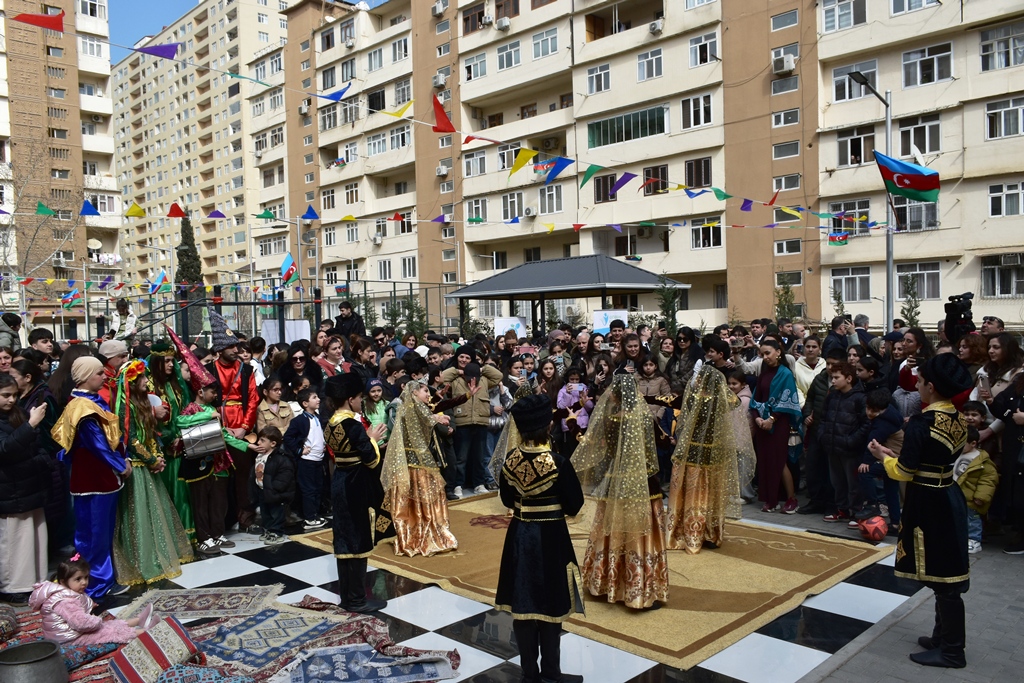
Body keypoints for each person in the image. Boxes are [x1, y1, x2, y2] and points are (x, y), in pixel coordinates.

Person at [868, 354, 973, 669]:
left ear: (930, 386)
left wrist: (882, 458)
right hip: (948, 495)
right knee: (947, 574)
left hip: (928, 502)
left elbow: (904, 471)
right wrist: (891, 454)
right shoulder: (958, 417)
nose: (917, 384)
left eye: (921, 381)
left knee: (945, 579)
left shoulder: (922, 423)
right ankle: (942, 638)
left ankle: (953, 651)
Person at [495, 394, 584, 683]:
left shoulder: (510, 459)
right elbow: (574, 504)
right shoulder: (557, 461)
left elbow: (507, 498)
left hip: (520, 535)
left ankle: (529, 674)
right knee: (552, 602)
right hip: (551, 536)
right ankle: (551, 674)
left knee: (523, 603)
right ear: (547, 425)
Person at [574, 374, 667, 609]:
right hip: (644, 481)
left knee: (612, 530)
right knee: (642, 532)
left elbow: (603, 448)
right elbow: (657, 446)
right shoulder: (646, 417)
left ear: (614, 395)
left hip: (615, 480)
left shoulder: (610, 419)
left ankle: (608, 582)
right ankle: (640, 586)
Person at [49, 356, 128, 599]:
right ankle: (95, 583)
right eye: (99, 374)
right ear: (85, 377)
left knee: (95, 532)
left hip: (95, 478)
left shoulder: (85, 401)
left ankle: (89, 579)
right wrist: (121, 465)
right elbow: (97, 445)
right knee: (95, 534)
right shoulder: (83, 407)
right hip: (95, 480)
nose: (104, 377)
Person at [111, 360, 194, 585]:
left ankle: (157, 553)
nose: (147, 381)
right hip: (137, 467)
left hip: (149, 463)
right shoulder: (124, 406)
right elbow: (131, 440)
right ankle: (140, 561)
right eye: (143, 378)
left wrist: (157, 457)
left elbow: (150, 434)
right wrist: (150, 459)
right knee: (139, 514)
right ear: (132, 381)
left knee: (153, 513)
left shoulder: (143, 401)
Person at [667, 365, 755, 553]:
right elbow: (736, 403)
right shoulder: (722, 398)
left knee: (691, 494)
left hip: (691, 452)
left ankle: (687, 532)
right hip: (714, 454)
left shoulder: (692, 396)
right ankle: (710, 532)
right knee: (710, 494)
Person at [324, 373, 391, 613]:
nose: (361, 401)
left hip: (340, 479)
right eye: (360, 397)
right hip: (355, 483)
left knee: (343, 540)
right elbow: (371, 460)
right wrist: (372, 438)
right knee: (357, 539)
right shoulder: (351, 424)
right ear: (350, 398)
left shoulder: (331, 421)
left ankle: (348, 597)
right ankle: (357, 599)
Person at [381, 380, 458, 557]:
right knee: (422, 498)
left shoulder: (412, 407)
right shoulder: (412, 408)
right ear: (414, 392)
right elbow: (424, 418)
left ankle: (414, 531)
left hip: (412, 462)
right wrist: (437, 418)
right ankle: (421, 534)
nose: (428, 395)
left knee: (413, 500)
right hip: (416, 463)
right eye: (425, 391)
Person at [205, 309, 261, 535]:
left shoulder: (246, 370)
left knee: (243, 476)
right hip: (217, 428)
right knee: (219, 478)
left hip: (241, 429)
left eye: (236, 346)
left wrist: (244, 428)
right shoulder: (208, 370)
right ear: (219, 349)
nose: (236, 350)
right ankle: (223, 521)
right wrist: (219, 427)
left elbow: (253, 401)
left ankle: (246, 517)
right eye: (231, 347)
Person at [0, 374, 51, 603]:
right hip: (10, 490)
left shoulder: (16, 413)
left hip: (29, 485)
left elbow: (36, 444)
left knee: (34, 538)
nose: (11, 400)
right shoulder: (21, 418)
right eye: (5, 395)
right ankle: (12, 587)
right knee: (14, 542)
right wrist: (30, 425)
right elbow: (5, 449)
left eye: (14, 395)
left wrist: (41, 460)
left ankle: (33, 582)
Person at [29, 555, 154, 644]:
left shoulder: (66, 592)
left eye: (86, 577)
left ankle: (138, 620)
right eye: (78, 579)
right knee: (107, 632)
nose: (84, 582)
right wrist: (96, 621)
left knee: (106, 625)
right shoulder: (65, 601)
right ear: (63, 581)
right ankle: (143, 632)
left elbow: (78, 606)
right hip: (68, 638)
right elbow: (80, 623)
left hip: (68, 632)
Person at [146, 339, 194, 544]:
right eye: (165, 361)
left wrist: (182, 436)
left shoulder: (176, 384)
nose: (170, 365)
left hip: (181, 444)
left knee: (182, 494)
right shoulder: (147, 383)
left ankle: (185, 537)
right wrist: (165, 436)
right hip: (159, 448)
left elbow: (184, 411)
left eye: (172, 361)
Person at [749, 340, 802, 513]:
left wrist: (771, 418)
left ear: (778, 352)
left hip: (779, 424)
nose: (765, 357)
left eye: (768, 353)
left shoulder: (785, 373)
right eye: (762, 354)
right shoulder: (763, 374)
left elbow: (787, 400)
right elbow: (755, 399)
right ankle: (771, 500)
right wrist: (757, 418)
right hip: (762, 424)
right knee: (764, 461)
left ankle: (791, 499)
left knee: (779, 461)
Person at [819, 362, 870, 523]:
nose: (833, 381)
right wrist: (823, 435)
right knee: (837, 482)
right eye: (831, 377)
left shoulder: (860, 398)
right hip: (832, 446)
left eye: (836, 377)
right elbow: (823, 418)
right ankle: (842, 510)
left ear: (848, 378)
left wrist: (851, 441)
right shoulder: (832, 396)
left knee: (853, 484)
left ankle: (856, 512)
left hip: (851, 450)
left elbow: (866, 424)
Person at [283, 388, 328, 531]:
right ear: (305, 403)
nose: (318, 399)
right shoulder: (299, 421)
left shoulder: (319, 417)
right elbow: (288, 438)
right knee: (308, 489)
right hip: (306, 460)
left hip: (319, 459)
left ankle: (315, 514)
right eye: (314, 397)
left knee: (318, 488)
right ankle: (309, 517)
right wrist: (299, 450)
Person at [953, 426, 998, 555]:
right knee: (956, 518)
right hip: (955, 494)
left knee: (972, 520)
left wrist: (981, 497)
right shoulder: (955, 455)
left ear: (973, 443)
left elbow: (988, 480)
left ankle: (974, 540)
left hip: (971, 498)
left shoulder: (981, 460)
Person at [250, 426, 294, 544]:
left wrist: (275, 488)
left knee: (276, 512)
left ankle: (277, 531)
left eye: (262, 440)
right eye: (259, 439)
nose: (258, 442)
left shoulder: (281, 458)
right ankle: (269, 530)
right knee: (266, 512)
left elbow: (285, 475)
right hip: (262, 490)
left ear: (273, 443)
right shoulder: (260, 455)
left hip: (275, 492)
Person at [96, 339, 130, 405]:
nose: (126, 360)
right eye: (122, 356)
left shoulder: (122, 376)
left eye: (127, 356)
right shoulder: (100, 381)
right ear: (107, 358)